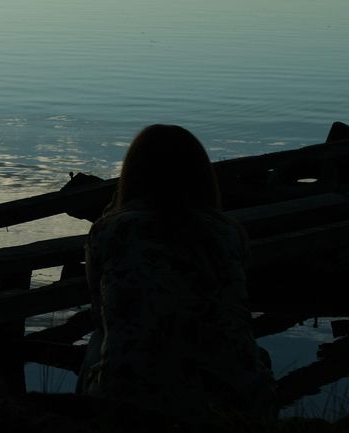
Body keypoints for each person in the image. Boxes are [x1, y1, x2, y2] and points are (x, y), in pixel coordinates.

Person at [78, 124, 277, 427]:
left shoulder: (110, 230)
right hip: (233, 408)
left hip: (130, 405)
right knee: (255, 354)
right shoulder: (228, 233)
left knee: (99, 338)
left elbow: (100, 313)